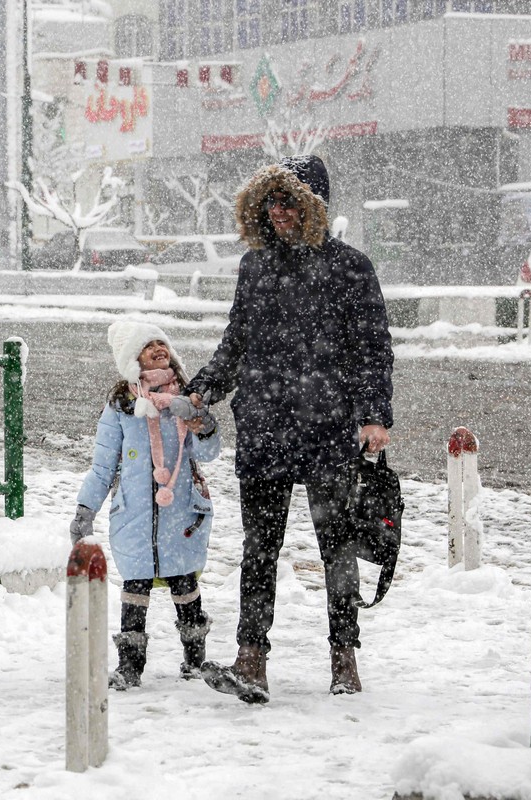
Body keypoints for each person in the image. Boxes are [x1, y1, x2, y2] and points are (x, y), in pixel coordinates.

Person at [186, 154, 394, 704]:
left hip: (329, 428)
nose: (278, 213)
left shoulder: (351, 267)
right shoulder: (255, 268)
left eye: (289, 202)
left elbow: (373, 349)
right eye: (271, 202)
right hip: (265, 427)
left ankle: (343, 655)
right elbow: (236, 342)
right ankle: (251, 657)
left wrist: (375, 415)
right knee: (260, 547)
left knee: (337, 548)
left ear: (313, 208)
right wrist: (204, 388)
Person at [71, 320, 221, 690]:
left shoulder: (186, 398)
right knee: (135, 587)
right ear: (131, 359)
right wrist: (85, 509)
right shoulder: (121, 406)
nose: (158, 349)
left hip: (181, 509)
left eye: (161, 342)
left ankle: (194, 659)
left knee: (184, 583)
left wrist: (203, 426)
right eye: (148, 345)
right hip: (135, 514)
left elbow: (208, 452)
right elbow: (104, 465)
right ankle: (130, 666)